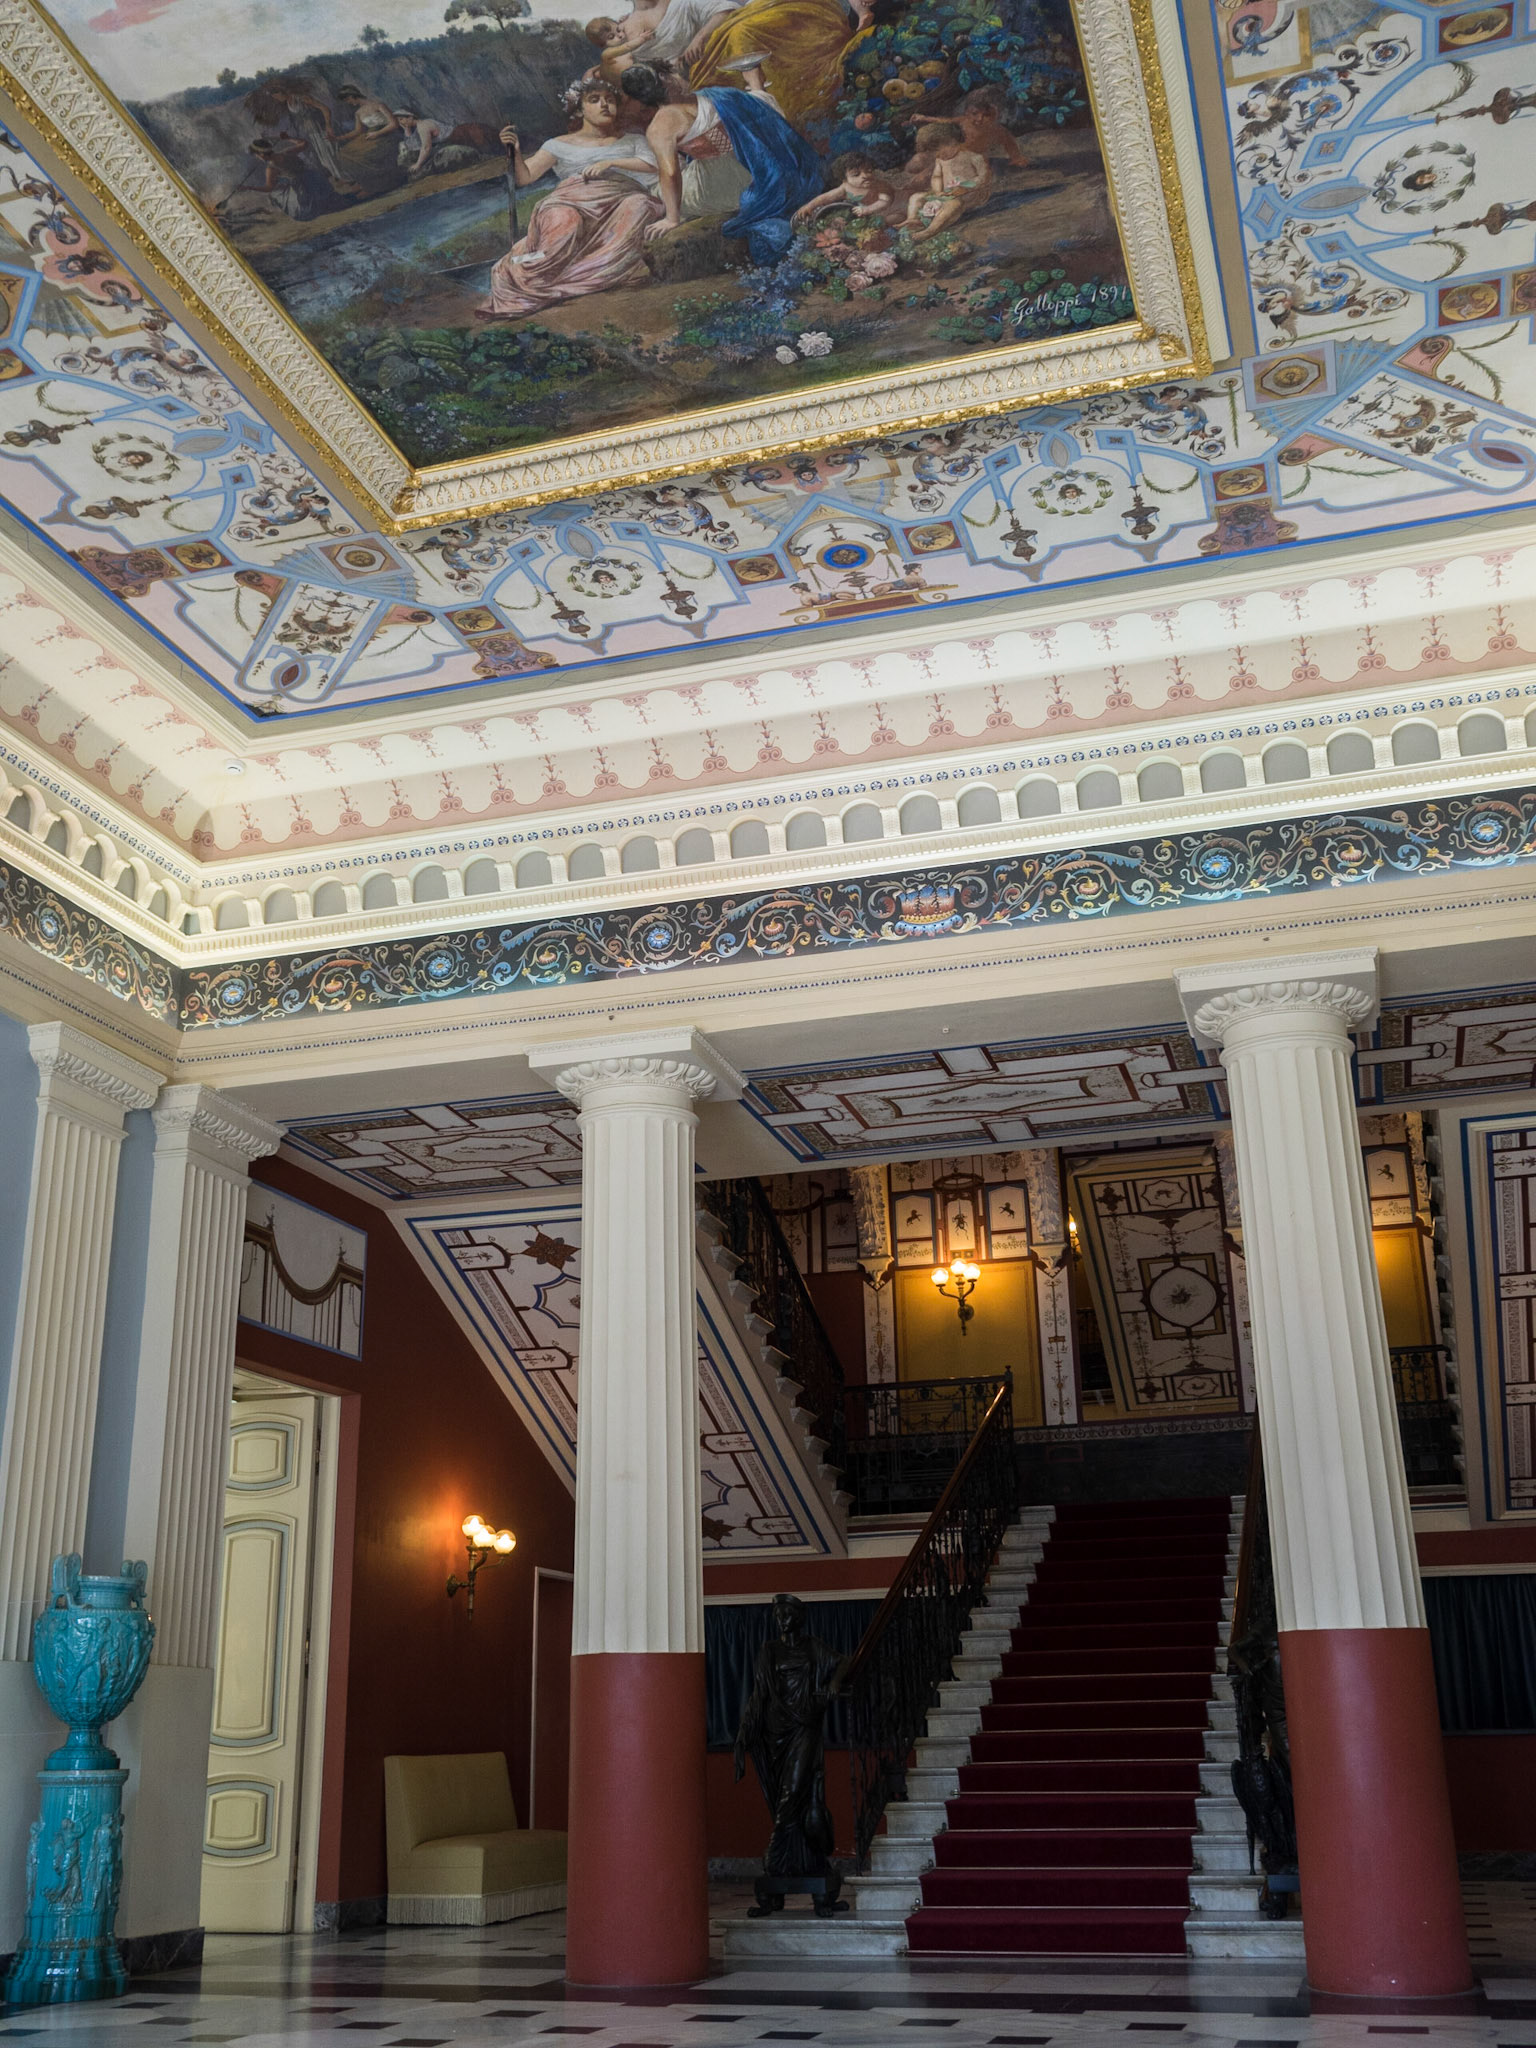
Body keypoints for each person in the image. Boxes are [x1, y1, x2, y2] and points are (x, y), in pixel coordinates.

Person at [477, 79, 664, 319]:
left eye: (609, 100)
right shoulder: (558, 144)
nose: (604, 105)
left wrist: (610, 162)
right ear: (579, 109)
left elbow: (654, 165)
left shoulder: (634, 140)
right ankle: (523, 267)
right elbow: (525, 177)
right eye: (594, 100)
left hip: (619, 202)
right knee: (564, 222)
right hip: (569, 201)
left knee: (638, 206)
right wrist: (515, 151)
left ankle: (589, 274)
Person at [620, 59, 823, 265]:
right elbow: (764, 112)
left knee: (655, 194)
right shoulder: (714, 95)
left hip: (723, 184)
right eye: (674, 72)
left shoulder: (659, 126)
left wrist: (672, 219)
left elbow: (670, 173)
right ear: (664, 79)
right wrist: (755, 84)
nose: (680, 75)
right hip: (758, 169)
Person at [734, 1594, 850, 1907]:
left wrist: (835, 1683)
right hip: (776, 1732)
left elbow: (844, 1661)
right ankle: (797, 1864)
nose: (782, 1620)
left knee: (794, 1791)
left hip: (805, 1727)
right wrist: (742, 1739)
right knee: (784, 1795)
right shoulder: (769, 1650)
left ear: (799, 1617)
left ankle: (775, 1856)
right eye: (778, 1615)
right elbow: (759, 1695)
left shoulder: (813, 1647)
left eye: (787, 1614)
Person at [901, 121, 991, 244]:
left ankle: (930, 230)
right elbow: (937, 177)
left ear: (952, 142)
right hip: (946, 195)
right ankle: (913, 219)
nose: (936, 155)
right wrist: (938, 191)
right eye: (933, 152)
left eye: (938, 150)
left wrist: (965, 189)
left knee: (954, 204)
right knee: (916, 197)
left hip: (969, 196)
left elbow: (984, 178)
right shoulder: (940, 160)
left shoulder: (974, 157)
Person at [334, 83, 405, 195]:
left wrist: (377, 133)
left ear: (352, 96)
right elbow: (357, 131)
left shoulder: (378, 105)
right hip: (370, 136)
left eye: (347, 100)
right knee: (343, 153)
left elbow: (394, 124)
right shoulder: (358, 113)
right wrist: (339, 138)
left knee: (364, 155)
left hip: (387, 135)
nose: (348, 103)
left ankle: (380, 184)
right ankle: (368, 183)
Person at [792, 151, 895, 226]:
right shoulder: (845, 187)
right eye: (856, 174)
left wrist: (867, 210)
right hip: (861, 216)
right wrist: (809, 206)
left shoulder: (878, 185)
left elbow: (885, 202)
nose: (865, 176)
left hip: (885, 212)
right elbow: (825, 197)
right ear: (844, 178)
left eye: (868, 171)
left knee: (887, 221)